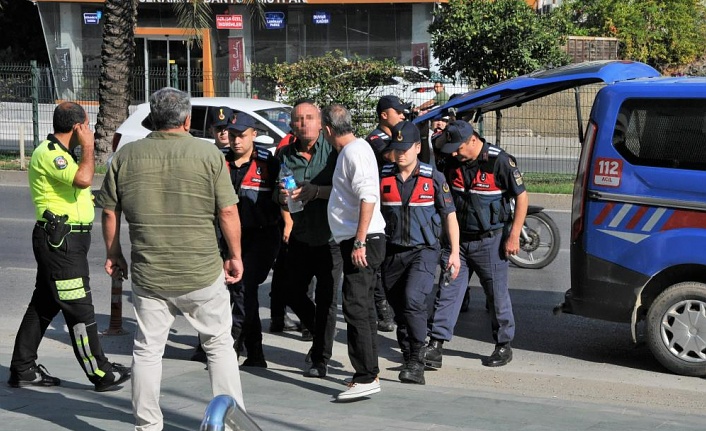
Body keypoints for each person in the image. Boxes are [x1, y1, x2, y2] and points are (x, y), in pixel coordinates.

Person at [97, 87, 245, 430]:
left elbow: (109, 213)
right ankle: (229, 422)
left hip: (150, 276)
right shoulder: (208, 156)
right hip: (202, 272)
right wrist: (235, 255)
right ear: (188, 119)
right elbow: (227, 211)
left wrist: (113, 252)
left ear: (152, 117)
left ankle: (147, 425)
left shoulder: (125, 157)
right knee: (219, 345)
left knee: (148, 350)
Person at [8, 102, 131, 392]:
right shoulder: (51, 154)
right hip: (61, 243)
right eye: (86, 126)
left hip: (67, 243)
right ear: (78, 127)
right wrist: (89, 148)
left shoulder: (64, 153)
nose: (88, 131)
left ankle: (23, 368)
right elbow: (84, 179)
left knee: (45, 304)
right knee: (79, 308)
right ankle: (100, 372)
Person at [424, 120, 528, 369]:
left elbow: (522, 197)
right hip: (457, 241)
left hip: (490, 241)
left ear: (473, 140)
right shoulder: (451, 157)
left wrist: (514, 235)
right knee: (447, 290)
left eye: (458, 148)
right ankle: (436, 344)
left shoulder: (499, 161)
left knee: (496, 295)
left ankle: (503, 345)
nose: (454, 153)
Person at [379, 121, 460, 385]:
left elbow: (450, 216)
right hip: (392, 253)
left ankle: (417, 360)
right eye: (396, 148)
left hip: (423, 251)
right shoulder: (383, 176)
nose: (400, 153)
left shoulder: (433, 178)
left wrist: (455, 254)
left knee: (413, 299)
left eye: (405, 148)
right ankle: (408, 353)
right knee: (400, 307)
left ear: (417, 147)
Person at [323, 104, 386, 401]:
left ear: (327, 130)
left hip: (362, 241)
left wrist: (359, 240)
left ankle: (365, 376)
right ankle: (368, 372)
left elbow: (368, 196)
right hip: (359, 239)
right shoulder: (353, 151)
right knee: (364, 308)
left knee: (356, 306)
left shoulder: (354, 152)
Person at [277, 100, 343, 377]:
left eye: (309, 118)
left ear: (320, 122)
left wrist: (317, 191)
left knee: (327, 300)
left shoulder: (334, 152)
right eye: (298, 119)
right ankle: (320, 334)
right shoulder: (284, 155)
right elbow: (278, 192)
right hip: (301, 235)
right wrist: (280, 199)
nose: (303, 123)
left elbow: (346, 189)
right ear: (291, 124)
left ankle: (320, 358)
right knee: (290, 291)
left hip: (331, 237)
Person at [365, 94, 410, 333]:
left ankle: (388, 306)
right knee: (379, 262)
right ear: (384, 115)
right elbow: (393, 157)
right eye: (398, 112)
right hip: (377, 205)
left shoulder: (394, 136)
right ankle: (382, 309)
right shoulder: (376, 138)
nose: (403, 115)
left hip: (392, 204)